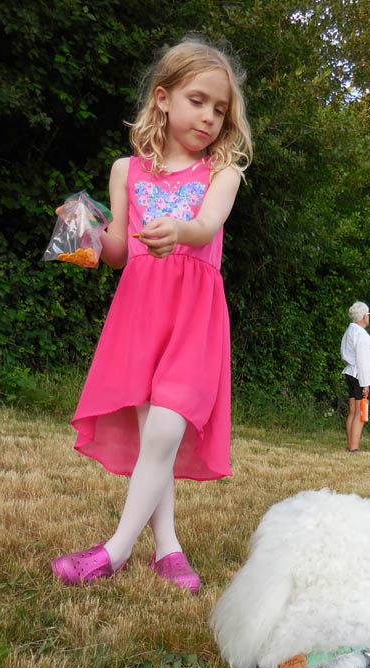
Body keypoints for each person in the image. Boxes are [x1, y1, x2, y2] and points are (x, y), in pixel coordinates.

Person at [51, 37, 253, 592]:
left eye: (220, 110)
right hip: (140, 310)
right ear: (162, 98)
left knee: (165, 429)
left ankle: (113, 552)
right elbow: (119, 250)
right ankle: (168, 549)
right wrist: (84, 237)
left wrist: (178, 232)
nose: (210, 117)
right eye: (198, 101)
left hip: (194, 312)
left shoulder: (222, 173)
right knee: (151, 440)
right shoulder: (127, 170)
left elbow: (206, 226)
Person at [340, 302, 370, 453]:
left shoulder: (350, 331)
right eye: (367, 315)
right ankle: (354, 448)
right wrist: (365, 384)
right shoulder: (361, 335)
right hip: (360, 376)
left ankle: (350, 444)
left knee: (353, 412)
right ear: (363, 316)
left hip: (350, 372)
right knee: (360, 412)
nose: (368, 317)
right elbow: (362, 361)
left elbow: (345, 354)